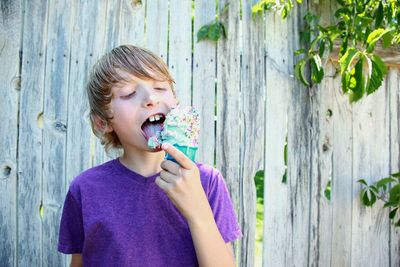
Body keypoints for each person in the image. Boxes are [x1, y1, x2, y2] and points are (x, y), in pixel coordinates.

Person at [57, 45, 242, 267]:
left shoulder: (207, 181)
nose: (151, 98)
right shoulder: (85, 189)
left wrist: (197, 208)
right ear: (102, 122)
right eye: (128, 94)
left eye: (161, 88)